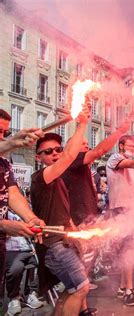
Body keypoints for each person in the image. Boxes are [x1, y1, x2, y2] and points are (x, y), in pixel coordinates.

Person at [30, 109, 92, 316]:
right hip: (54, 245)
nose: (55, 154)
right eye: (48, 152)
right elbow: (69, 156)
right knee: (81, 288)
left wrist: (76, 236)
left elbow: (64, 214)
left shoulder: (58, 180)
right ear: (38, 157)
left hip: (63, 242)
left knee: (72, 291)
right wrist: (82, 125)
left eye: (58, 149)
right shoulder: (41, 177)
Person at [0, 110, 45, 303]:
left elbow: (12, 193)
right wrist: (2, 224)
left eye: (4, 133)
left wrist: (31, 218)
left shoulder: (3, 162)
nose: (2, 137)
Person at [106, 135, 134, 306]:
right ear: (121, 145)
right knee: (128, 249)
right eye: (130, 145)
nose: (133, 148)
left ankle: (123, 286)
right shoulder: (115, 158)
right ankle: (128, 290)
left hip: (130, 209)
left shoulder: (127, 163)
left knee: (128, 248)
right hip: (121, 209)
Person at [5, 211, 43, 315]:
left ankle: (31, 293)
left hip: (29, 247)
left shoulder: (26, 212)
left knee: (40, 263)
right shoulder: (4, 213)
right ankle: (14, 298)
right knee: (15, 269)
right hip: (11, 249)